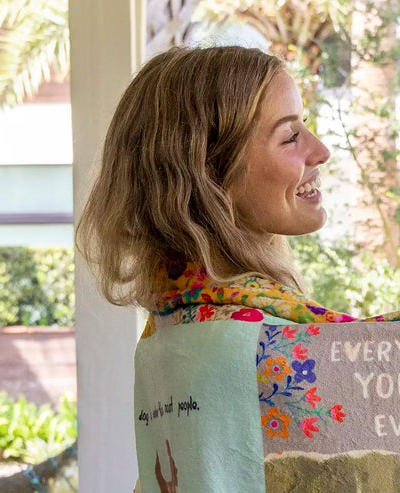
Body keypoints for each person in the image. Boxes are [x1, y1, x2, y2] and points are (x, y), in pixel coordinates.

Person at [76, 44, 331, 309]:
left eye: (303, 124)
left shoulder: (182, 309)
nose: (322, 151)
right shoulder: (256, 329)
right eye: (290, 137)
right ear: (209, 175)